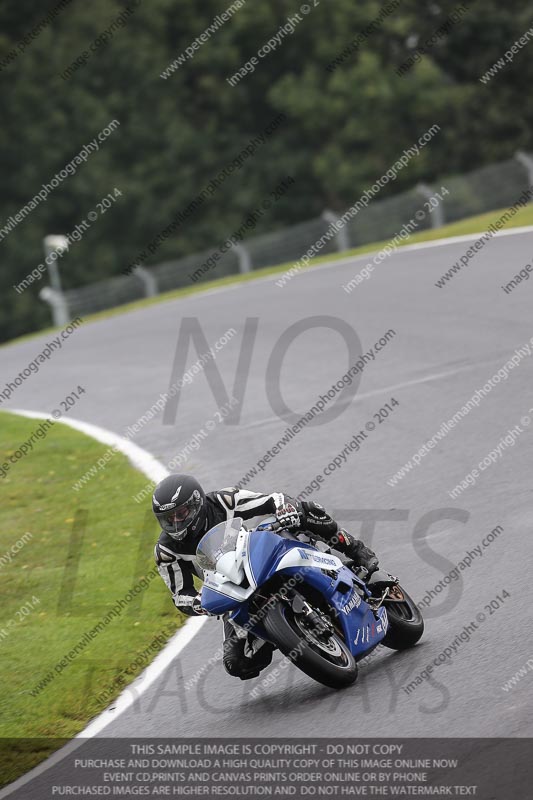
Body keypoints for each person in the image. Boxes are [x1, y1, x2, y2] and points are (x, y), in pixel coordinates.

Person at [153, 473, 379, 680]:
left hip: (259, 553)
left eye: (180, 514)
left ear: (197, 503)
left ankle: (356, 550)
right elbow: (180, 594)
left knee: (305, 510)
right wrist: (197, 602)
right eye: (167, 519)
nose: (175, 524)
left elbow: (271, 500)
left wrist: (284, 508)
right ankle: (279, 633)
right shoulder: (166, 551)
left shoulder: (223, 501)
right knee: (237, 662)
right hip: (231, 588)